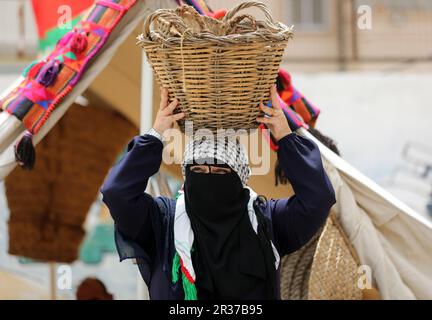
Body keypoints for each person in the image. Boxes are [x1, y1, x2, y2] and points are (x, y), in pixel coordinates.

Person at [101, 85, 336, 300]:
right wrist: (155, 135)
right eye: (199, 169)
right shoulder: (162, 224)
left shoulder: (268, 222)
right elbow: (117, 193)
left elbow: (318, 199)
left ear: (240, 177)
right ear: (186, 174)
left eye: (220, 171)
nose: (208, 177)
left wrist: (285, 137)